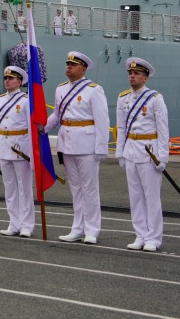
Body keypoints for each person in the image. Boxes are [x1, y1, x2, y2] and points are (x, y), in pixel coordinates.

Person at [44, 51, 109, 244]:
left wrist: (101, 148)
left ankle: (92, 230)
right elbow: (57, 115)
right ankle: (77, 228)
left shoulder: (93, 90)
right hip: (67, 143)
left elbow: (102, 121)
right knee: (76, 188)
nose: (68, 67)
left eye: (73, 64)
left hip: (87, 144)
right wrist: (44, 127)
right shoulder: (61, 89)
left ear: (83, 68)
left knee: (90, 188)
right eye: (67, 63)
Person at [116, 57, 169, 252]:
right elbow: (121, 128)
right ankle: (140, 234)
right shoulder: (123, 98)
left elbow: (163, 130)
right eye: (130, 73)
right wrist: (120, 152)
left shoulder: (155, 99)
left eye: (137, 73)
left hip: (149, 152)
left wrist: (163, 156)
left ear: (145, 78)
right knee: (135, 197)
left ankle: (153, 238)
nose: (132, 76)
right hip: (131, 150)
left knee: (151, 197)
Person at [0, 65, 34, 238]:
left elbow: (31, 129)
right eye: (6, 78)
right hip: (4, 146)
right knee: (9, 188)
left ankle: (27, 225)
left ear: (19, 81)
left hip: (20, 148)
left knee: (24, 188)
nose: (7, 81)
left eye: (11, 78)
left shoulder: (25, 100)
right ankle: (14, 223)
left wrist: (31, 152)